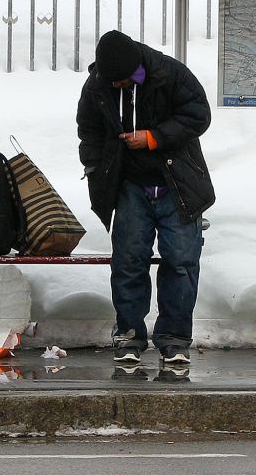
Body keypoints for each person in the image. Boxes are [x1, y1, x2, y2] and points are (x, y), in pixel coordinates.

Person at [77, 29, 215, 366]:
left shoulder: (171, 73)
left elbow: (198, 116)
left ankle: (175, 338)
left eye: (121, 81)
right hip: (129, 187)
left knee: (181, 262)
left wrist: (153, 138)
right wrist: (96, 167)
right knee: (128, 261)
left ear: (132, 68)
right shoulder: (99, 83)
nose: (115, 87)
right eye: (111, 82)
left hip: (177, 183)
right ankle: (129, 336)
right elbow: (88, 129)